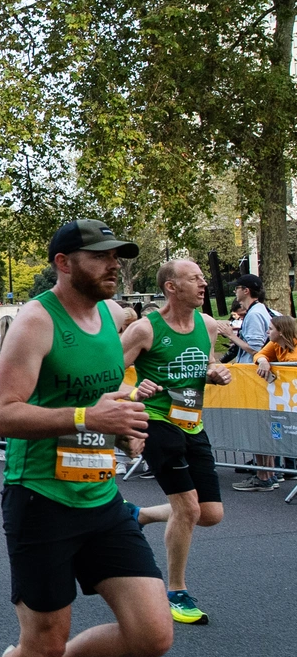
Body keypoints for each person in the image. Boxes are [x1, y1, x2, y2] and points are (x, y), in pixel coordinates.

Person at [0, 219, 170, 657]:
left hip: (101, 495)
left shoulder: (110, 318)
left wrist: (123, 420)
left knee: (152, 635)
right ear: (63, 264)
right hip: (41, 497)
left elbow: (98, 395)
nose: (114, 265)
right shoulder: (37, 321)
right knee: (44, 640)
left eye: (117, 256)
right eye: (101, 256)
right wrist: (91, 416)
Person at [121, 257, 236, 624]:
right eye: (194, 278)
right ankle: (176, 591)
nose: (203, 284)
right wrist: (133, 389)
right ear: (172, 287)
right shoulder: (144, 329)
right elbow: (103, 373)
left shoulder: (207, 324)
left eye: (203, 277)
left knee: (210, 514)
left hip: (191, 422)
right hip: (157, 422)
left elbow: (203, 362)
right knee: (188, 509)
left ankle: (138, 515)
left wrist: (215, 372)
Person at [244, 315, 297, 491]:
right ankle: (277, 470)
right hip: (286, 399)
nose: (267, 332)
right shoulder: (275, 344)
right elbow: (259, 354)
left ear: (281, 332)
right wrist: (264, 361)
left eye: (271, 329)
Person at [231, 274, 271, 363]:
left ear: (246, 290)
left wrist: (230, 335)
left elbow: (255, 350)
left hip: (253, 369)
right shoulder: (260, 308)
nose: (234, 291)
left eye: (237, 288)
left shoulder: (254, 314)